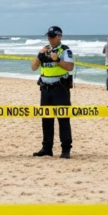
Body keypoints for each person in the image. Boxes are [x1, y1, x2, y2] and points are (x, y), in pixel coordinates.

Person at [31, 26, 74, 159]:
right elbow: (33, 67)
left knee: (63, 119)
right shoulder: (45, 49)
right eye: (48, 36)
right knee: (46, 120)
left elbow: (70, 67)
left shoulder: (65, 50)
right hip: (45, 89)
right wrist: (39, 55)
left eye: (52, 36)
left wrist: (57, 60)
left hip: (60, 89)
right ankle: (47, 148)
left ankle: (65, 149)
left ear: (59, 36)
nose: (49, 38)